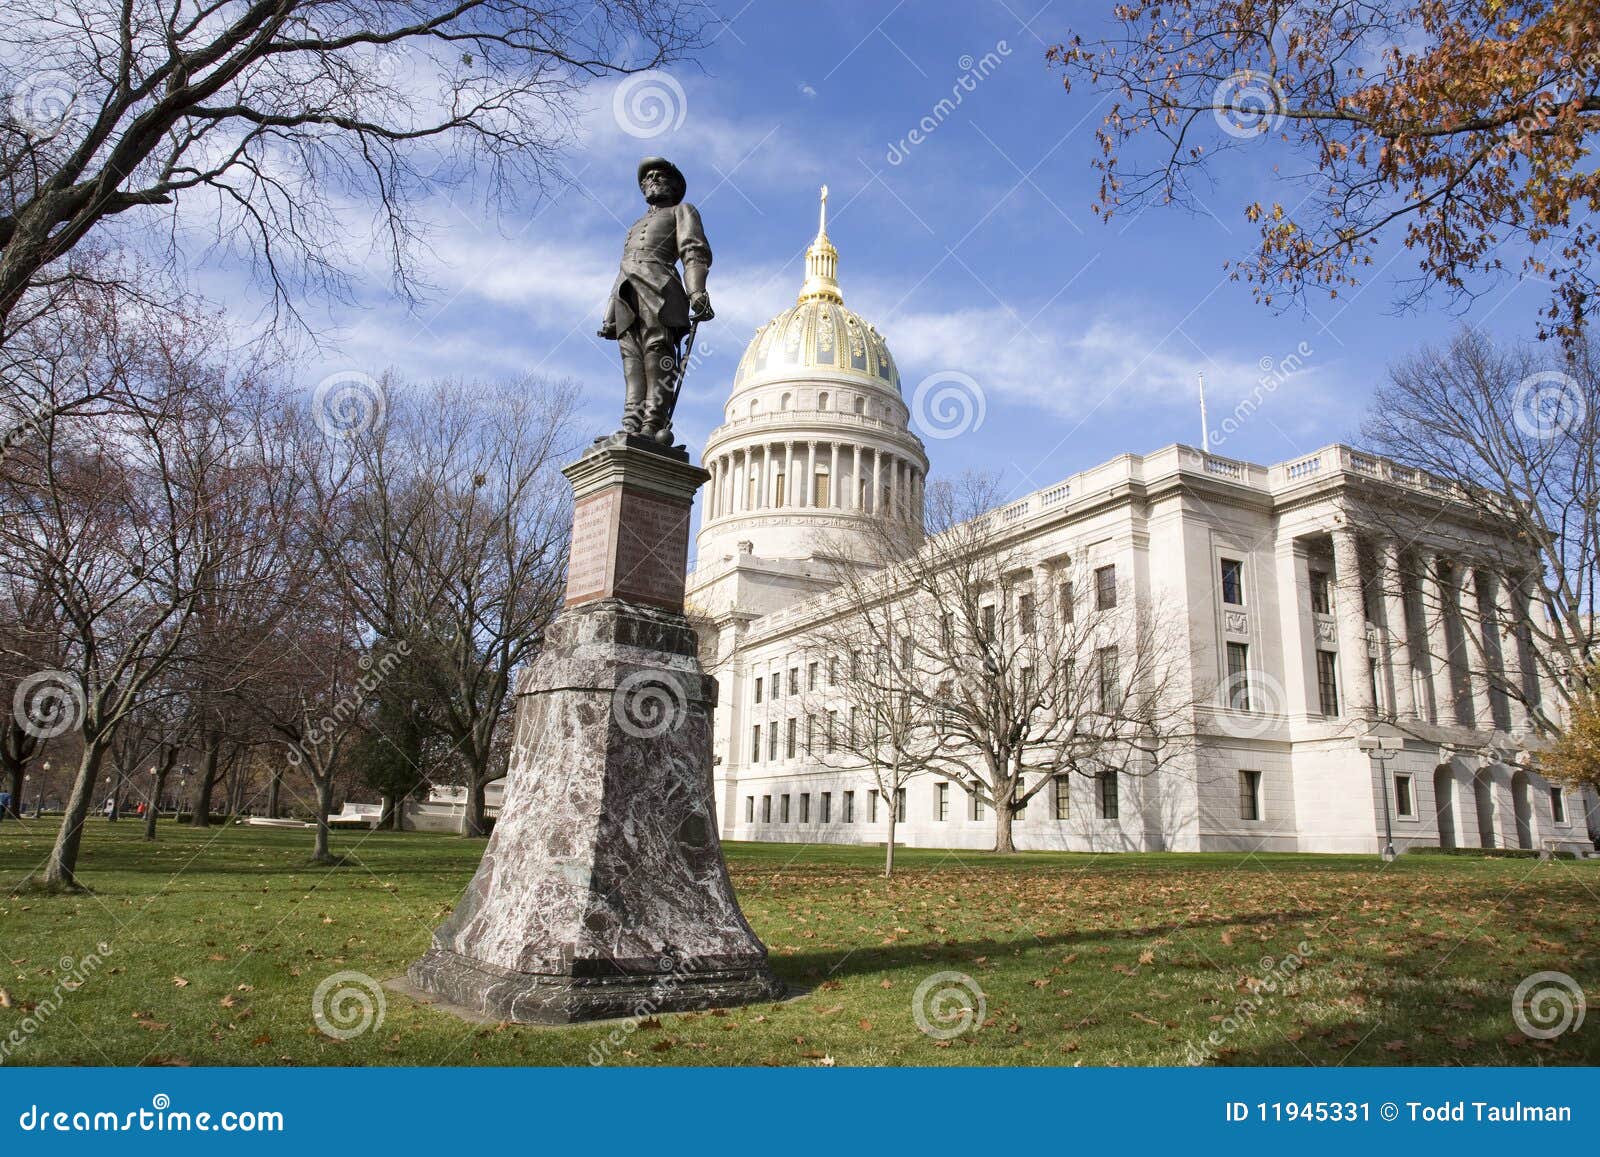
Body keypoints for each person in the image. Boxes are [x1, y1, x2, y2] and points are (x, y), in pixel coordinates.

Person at [598, 157, 714, 443]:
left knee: (656, 355)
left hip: (660, 287)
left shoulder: (682, 211)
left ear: (675, 186)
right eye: (647, 177)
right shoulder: (636, 225)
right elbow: (625, 264)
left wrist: (696, 292)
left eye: (659, 175)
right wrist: (610, 310)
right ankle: (630, 425)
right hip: (627, 292)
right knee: (631, 363)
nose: (652, 179)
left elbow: (694, 252)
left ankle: (652, 424)